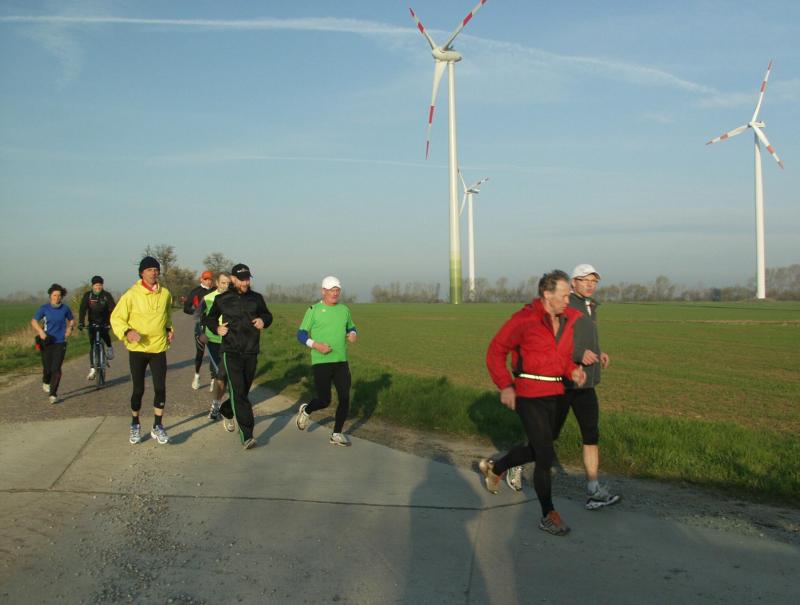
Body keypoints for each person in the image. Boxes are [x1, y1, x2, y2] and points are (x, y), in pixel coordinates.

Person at [480, 270, 586, 537]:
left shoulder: (566, 321)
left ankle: (497, 467)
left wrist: (572, 370)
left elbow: (560, 358)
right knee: (545, 454)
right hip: (529, 393)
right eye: (564, 295)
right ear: (547, 294)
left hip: (558, 392)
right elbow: (495, 351)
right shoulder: (525, 319)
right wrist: (505, 385)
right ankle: (548, 514)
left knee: (539, 449)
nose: (568, 300)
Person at [554, 264, 621, 509]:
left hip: (586, 383)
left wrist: (598, 352)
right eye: (585, 280)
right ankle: (512, 466)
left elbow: (584, 338)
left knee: (591, 434)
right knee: (547, 434)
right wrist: (578, 354)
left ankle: (593, 489)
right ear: (573, 283)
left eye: (594, 280)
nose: (590, 284)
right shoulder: (565, 305)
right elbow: (555, 340)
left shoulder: (590, 306)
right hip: (564, 383)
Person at [203, 263, 272, 450]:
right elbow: (209, 318)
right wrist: (217, 328)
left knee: (242, 392)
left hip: (251, 351)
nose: (245, 282)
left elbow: (268, 315)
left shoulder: (256, 298)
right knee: (239, 392)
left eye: (248, 279)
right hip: (231, 351)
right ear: (233, 279)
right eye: (242, 279)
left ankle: (226, 410)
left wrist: (263, 320)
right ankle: (247, 435)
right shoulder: (222, 299)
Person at [110, 256, 174, 445]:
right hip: (138, 349)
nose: (153, 273)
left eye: (156, 269)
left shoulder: (165, 294)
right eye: (149, 270)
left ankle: (158, 426)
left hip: (158, 348)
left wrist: (169, 329)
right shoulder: (131, 294)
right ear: (141, 273)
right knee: (138, 389)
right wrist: (127, 332)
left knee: (160, 388)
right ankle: (135, 423)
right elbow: (116, 318)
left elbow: (167, 316)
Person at [294, 276, 358, 447]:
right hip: (321, 361)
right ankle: (307, 410)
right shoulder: (313, 310)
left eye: (337, 290)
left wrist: (353, 334)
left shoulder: (344, 309)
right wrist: (316, 345)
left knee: (345, 397)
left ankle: (336, 434)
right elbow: (301, 334)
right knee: (324, 400)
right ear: (323, 291)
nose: (335, 293)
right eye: (331, 290)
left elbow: (351, 327)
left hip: (341, 361)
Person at [31, 284, 75, 404]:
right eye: (54, 295)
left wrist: (70, 328)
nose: (57, 297)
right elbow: (34, 321)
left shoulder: (65, 309)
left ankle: (53, 394)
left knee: (56, 368)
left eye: (59, 295)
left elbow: (71, 320)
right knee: (47, 368)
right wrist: (40, 332)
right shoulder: (44, 308)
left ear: (62, 297)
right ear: (50, 296)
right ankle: (46, 381)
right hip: (47, 341)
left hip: (60, 342)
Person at [201, 271, 230, 420]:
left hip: (229, 341)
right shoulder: (208, 298)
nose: (226, 286)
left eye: (228, 283)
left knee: (227, 376)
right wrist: (201, 333)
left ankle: (230, 404)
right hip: (213, 340)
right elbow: (200, 317)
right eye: (223, 283)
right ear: (217, 283)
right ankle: (215, 406)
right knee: (221, 375)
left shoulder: (235, 298)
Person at [78, 275, 116, 380]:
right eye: (96, 285)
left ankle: (109, 347)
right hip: (93, 322)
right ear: (92, 286)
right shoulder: (88, 296)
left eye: (100, 285)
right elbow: (82, 309)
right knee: (92, 344)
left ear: (102, 285)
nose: (98, 287)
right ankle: (92, 369)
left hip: (105, 322)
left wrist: (113, 322)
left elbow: (113, 309)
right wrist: (81, 322)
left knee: (105, 335)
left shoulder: (106, 295)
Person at [184, 270, 214, 390]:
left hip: (213, 326)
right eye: (206, 279)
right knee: (200, 353)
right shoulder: (195, 292)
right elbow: (186, 308)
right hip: (200, 326)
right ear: (201, 280)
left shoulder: (215, 291)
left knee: (214, 353)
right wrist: (196, 311)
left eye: (210, 279)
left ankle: (213, 380)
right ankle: (196, 376)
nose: (208, 281)